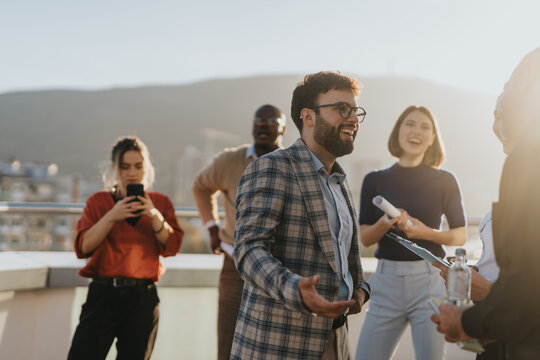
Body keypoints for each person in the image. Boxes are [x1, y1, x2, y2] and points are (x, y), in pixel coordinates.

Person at [231, 71, 371, 360]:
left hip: (337, 339)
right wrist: (295, 289)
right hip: (280, 345)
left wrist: (360, 291)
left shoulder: (339, 183)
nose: (353, 119)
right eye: (341, 109)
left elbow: (339, 262)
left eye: (355, 110)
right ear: (308, 117)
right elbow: (248, 251)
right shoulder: (273, 168)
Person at [431, 47, 540, 359]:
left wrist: (469, 318)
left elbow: (526, 288)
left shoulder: (527, 162)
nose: (500, 121)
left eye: (512, 88)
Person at [355, 105, 467, 360]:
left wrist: (426, 232)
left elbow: (459, 236)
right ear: (398, 132)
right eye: (410, 124)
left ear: (432, 138)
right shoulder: (374, 179)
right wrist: (386, 222)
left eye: (425, 127)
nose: (416, 131)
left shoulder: (445, 180)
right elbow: (365, 237)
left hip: (430, 281)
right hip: (385, 281)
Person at [67, 136, 183, 360]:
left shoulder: (160, 203)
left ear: (146, 168)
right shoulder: (98, 201)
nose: (132, 172)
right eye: (125, 166)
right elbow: (83, 247)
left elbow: (172, 247)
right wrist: (112, 216)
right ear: (114, 169)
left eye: (138, 166)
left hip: (143, 297)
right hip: (103, 294)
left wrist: (154, 215)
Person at [192, 104, 286, 360]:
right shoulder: (230, 160)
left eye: (271, 120)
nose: (264, 124)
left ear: (283, 128)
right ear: (252, 125)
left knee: (273, 345)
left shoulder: (291, 165)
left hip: (277, 268)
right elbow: (201, 187)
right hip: (234, 266)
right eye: (259, 119)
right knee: (228, 342)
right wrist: (211, 228)